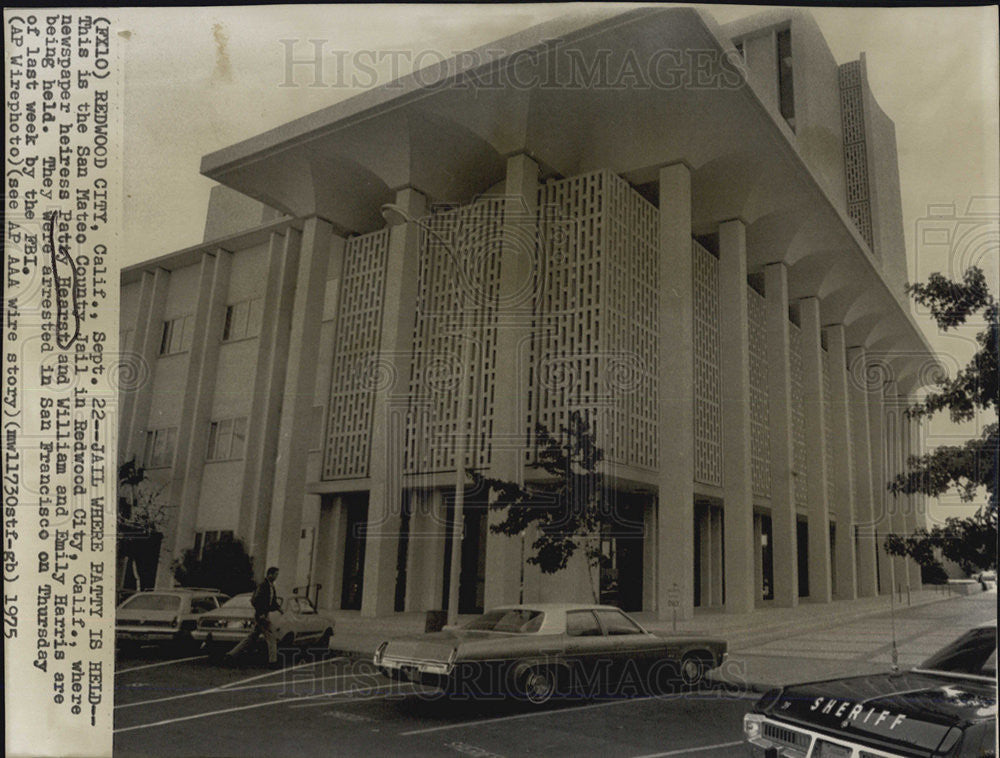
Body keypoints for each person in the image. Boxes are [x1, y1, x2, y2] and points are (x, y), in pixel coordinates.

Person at [226, 566, 283, 666]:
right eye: (275, 574)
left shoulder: (271, 586)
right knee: (271, 637)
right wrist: (261, 613)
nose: (276, 577)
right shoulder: (263, 586)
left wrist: (278, 608)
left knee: (252, 637)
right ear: (270, 574)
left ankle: (232, 654)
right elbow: (255, 600)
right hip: (262, 616)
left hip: (264, 615)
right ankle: (273, 661)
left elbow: (272, 601)